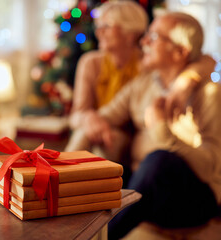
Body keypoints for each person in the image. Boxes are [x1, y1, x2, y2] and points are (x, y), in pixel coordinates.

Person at [84, 12, 221, 239]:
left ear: (180, 51)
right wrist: (91, 120)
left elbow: (210, 167)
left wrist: (161, 130)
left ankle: (102, 235)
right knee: (108, 172)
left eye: (154, 36)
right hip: (146, 187)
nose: (144, 41)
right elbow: (104, 116)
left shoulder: (209, 94)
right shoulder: (144, 84)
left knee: (159, 159)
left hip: (194, 197)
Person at [65, 1, 215, 166]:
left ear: (129, 33)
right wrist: (90, 119)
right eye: (98, 25)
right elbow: (83, 114)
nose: (98, 31)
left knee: (153, 159)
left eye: (107, 26)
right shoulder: (96, 64)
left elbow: (204, 59)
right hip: (114, 140)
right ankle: (60, 175)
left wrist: (186, 81)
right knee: (103, 138)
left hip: (147, 156)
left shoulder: (148, 65)